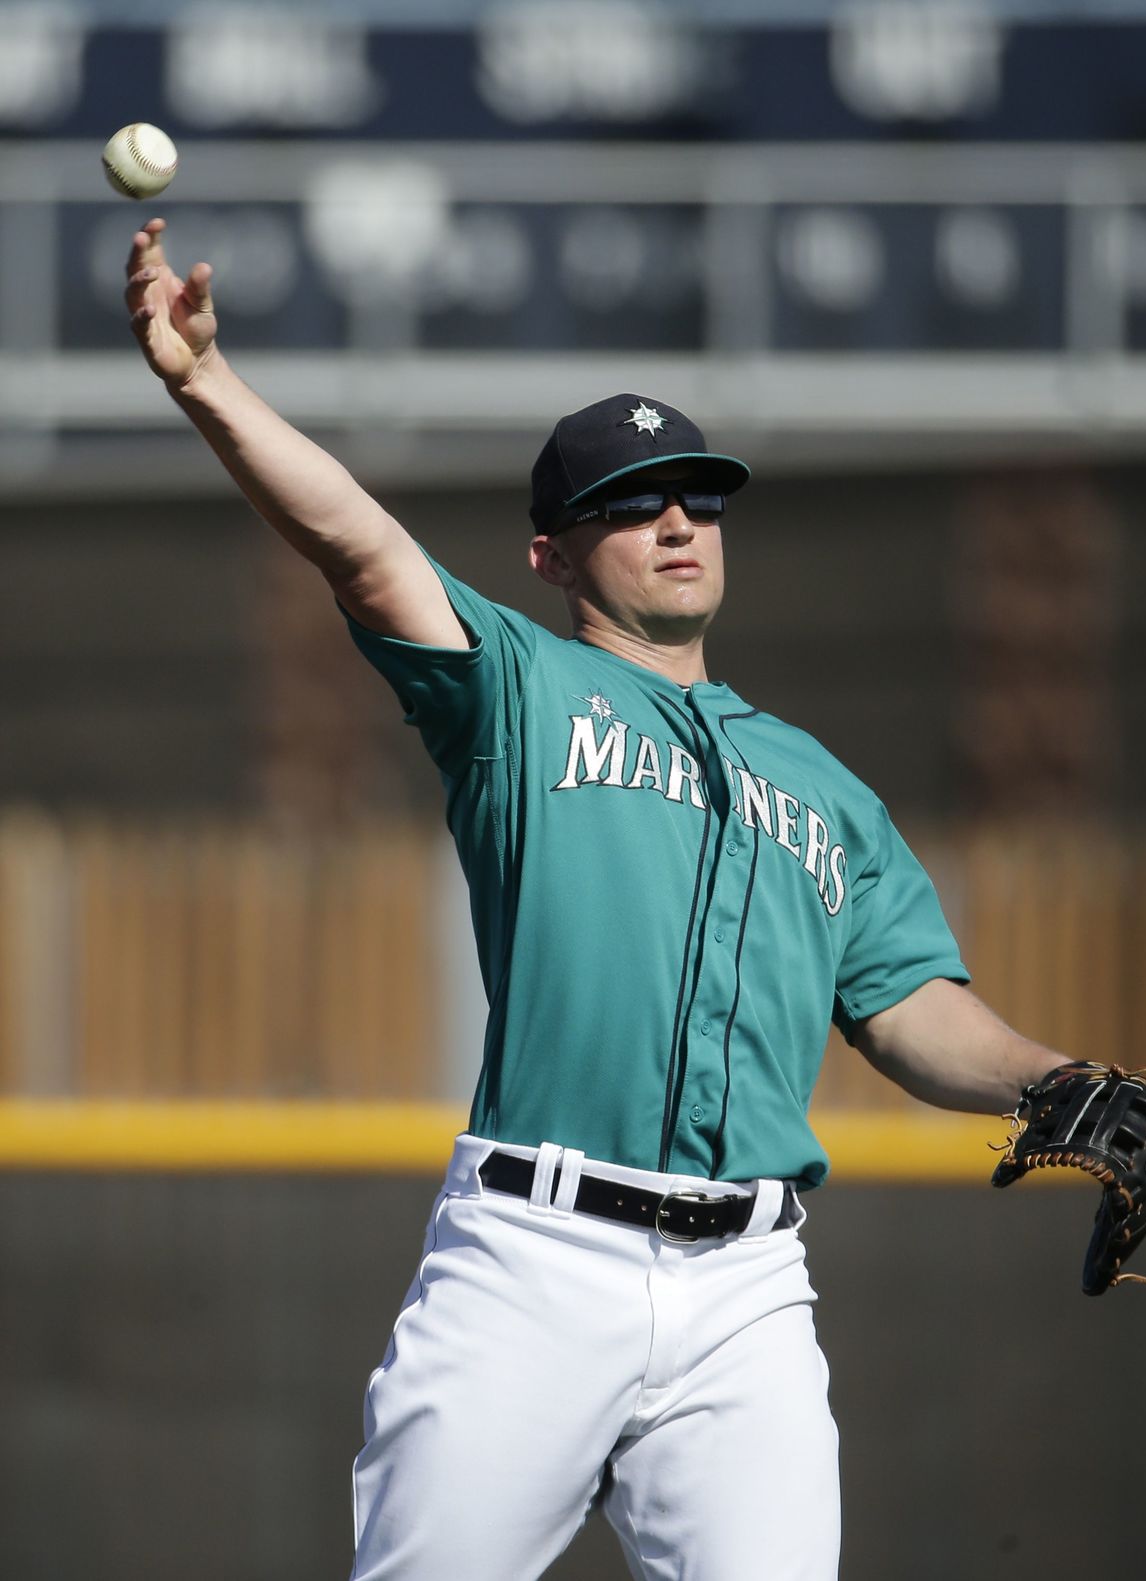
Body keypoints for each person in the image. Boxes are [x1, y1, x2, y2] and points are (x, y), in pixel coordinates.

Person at [125, 217, 1065, 1581]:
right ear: (552, 556)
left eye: (694, 495)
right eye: (630, 499)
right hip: (532, 1255)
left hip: (748, 1286)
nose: (675, 519)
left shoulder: (821, 784)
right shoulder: (515, 688)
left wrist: (1056, 1079)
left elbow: (911, 1000)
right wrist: (206, 381)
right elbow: (358, 541)